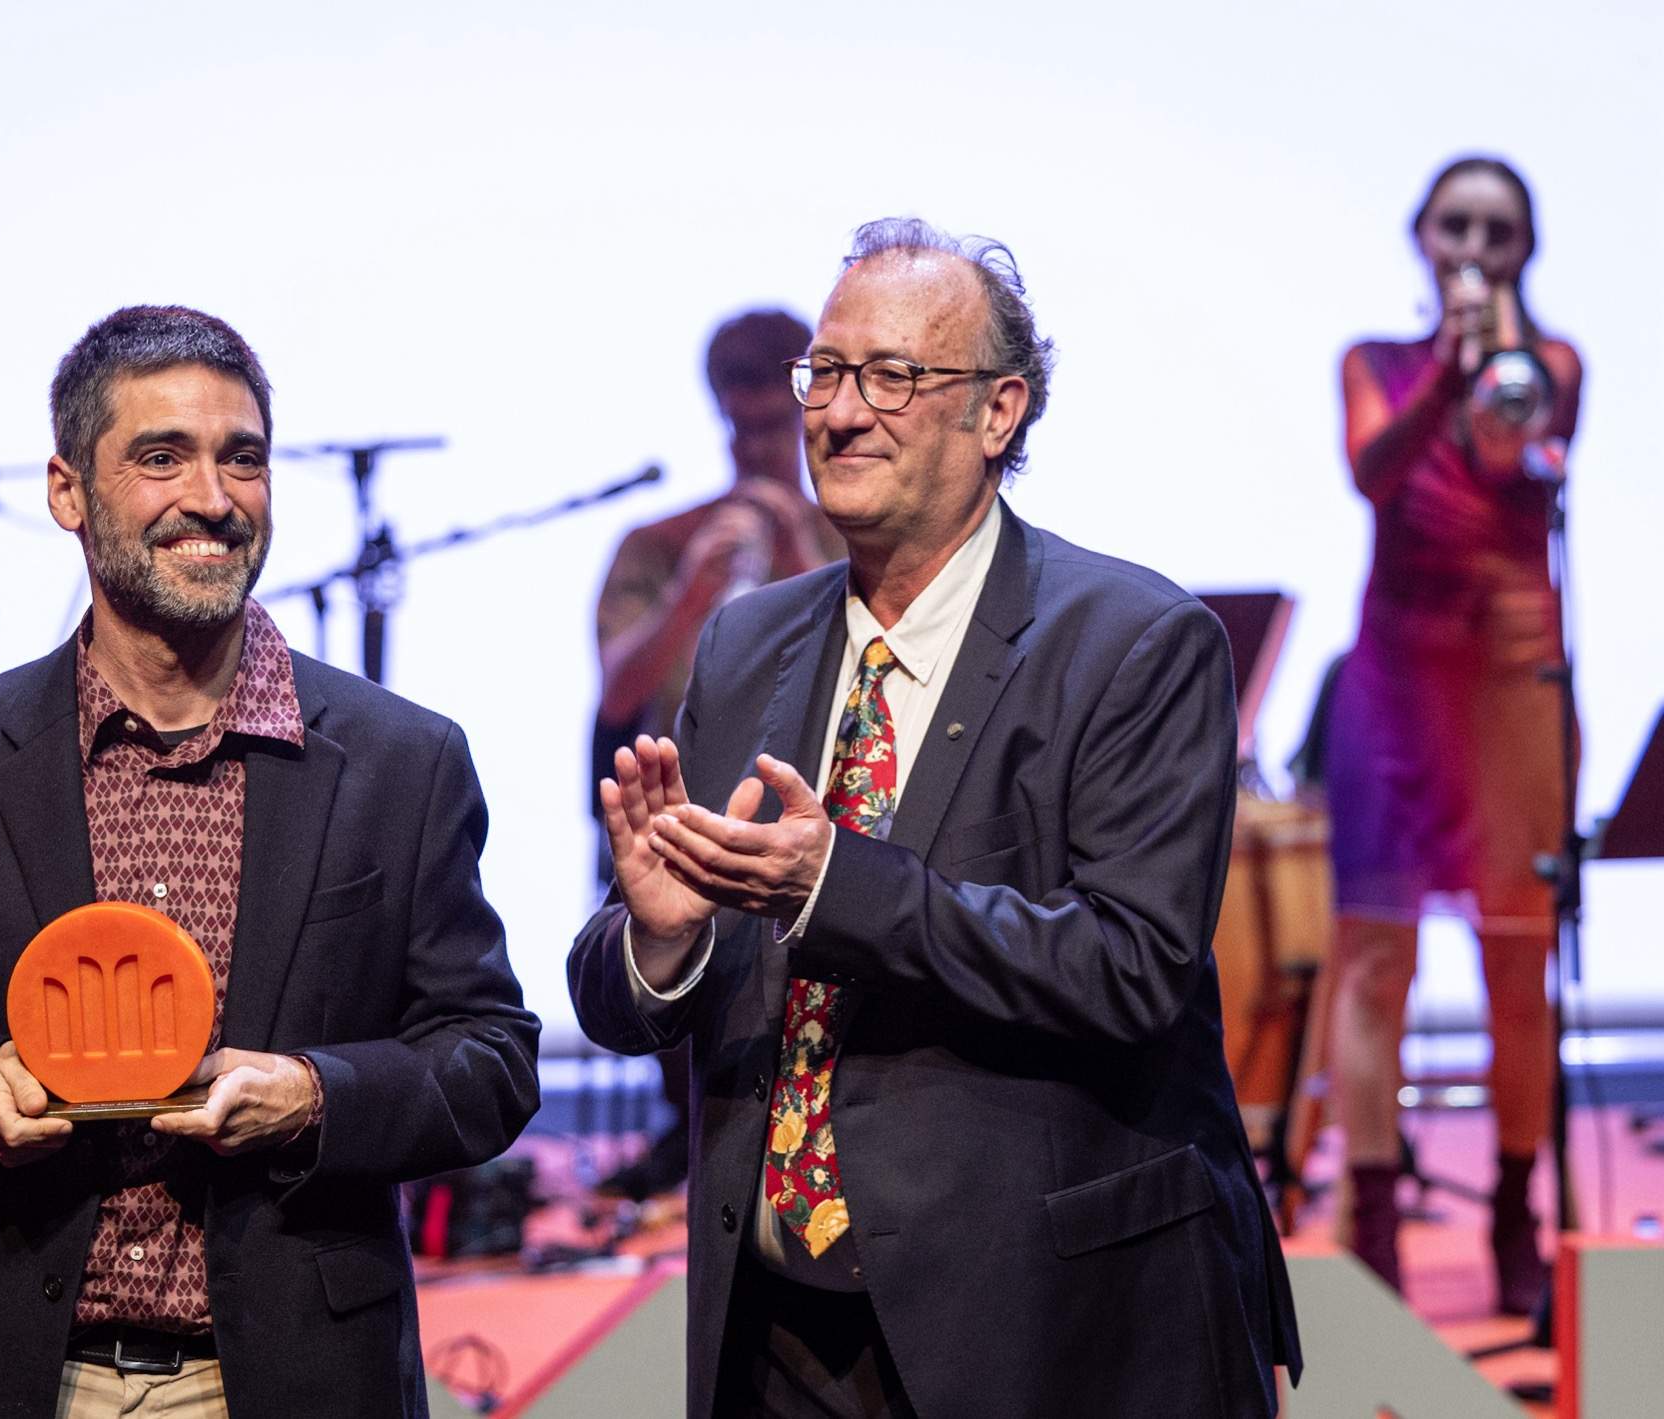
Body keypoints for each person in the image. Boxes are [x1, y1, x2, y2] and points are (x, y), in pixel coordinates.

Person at [569, 218, 1300, 1418]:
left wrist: (827, 888)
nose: (840, 412)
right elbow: (626, 982)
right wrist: (662, 938)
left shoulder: (1134, 643)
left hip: (1044, 1331)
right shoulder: (747, 643)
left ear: (999, 413)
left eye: (894, 376)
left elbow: (1130, 967)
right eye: (828, 372)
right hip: (777, 1334)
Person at [0, 305, 541, 1418]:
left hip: (289, 1377)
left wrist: (314, 1096)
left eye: (243, 458)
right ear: (66, 492)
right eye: (160, 457)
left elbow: (489, 1058)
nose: (213, 498)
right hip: (11, 1372)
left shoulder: (399, 761)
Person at [1322, 155, 1581, 1313]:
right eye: (1456, 224)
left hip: (1511, 677)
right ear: (1422, 238)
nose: (1476, 244)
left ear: (1526, 247)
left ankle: (1519, 1219)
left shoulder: (1555, 364)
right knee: (1375, 959)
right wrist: (1444, 363)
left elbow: (1501, 454)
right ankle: (1371, 1231)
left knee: (1516, 959)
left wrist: (1492, 352)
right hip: (1397, 675)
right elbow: (1377, 473)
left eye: (1499, 229)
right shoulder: (1373, 363)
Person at [590, 309, 845, 1199]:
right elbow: (619, 690)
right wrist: (700, 581)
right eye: (743, 427)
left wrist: (802, 543)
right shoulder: (661, 543)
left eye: (778, 426)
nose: (759, 447)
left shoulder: (855, 537)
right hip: (701, 808)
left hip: (829, 809)